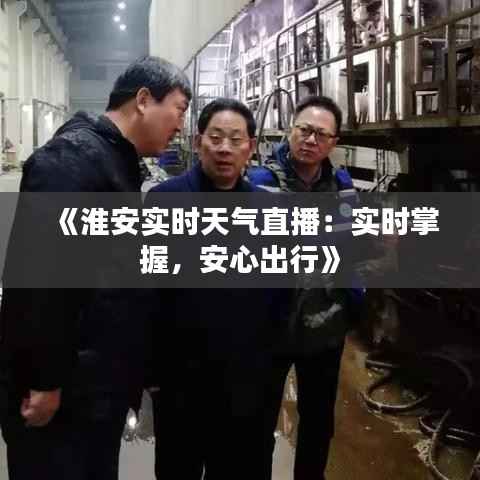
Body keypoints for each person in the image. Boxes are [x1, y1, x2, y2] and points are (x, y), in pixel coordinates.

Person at [0, 56, 191, 480]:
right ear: (144, 100)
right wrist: (45, 381)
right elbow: (40, 280)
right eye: (178, 110)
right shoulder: (72, 162)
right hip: (65, 394)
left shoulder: (112, 160)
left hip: (93, 385)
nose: (180, 125)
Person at [147, 98, 288, 480]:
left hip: (245, 384)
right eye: (216, 137)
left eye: (236, 139)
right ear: (198, 142)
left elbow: (280, 297)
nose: (225, 148)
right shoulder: (165, 202)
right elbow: (149, 293)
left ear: (251, 147)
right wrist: (152, 374)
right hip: (180, 383)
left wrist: (269, 371)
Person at [248, 95, 364, 480]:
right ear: (290, 131)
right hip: (269, 327)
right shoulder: (259, 183)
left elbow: (350, 249)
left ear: (334, 142)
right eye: (305, 130)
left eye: (321, 134)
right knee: (258, 420)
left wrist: (353, 300)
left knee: (318, 420)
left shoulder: (342, 187)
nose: (311, 140)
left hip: (325, 326)